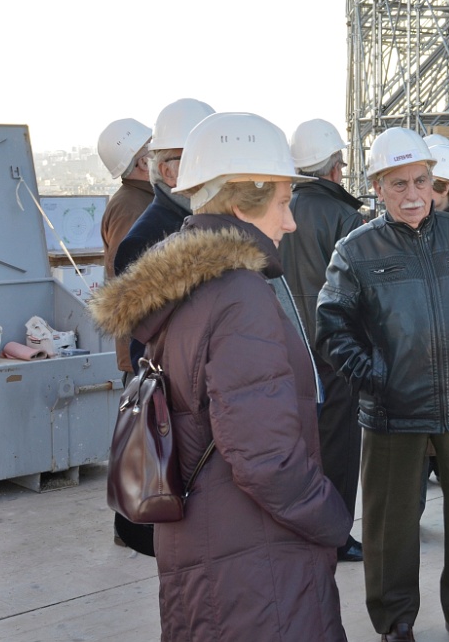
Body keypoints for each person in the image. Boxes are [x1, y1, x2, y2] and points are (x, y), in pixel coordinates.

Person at [89, 113, 352, 641]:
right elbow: (264, 457)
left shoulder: (189, 286)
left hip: (208, 546)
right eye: (283, 204)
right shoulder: (240, 296)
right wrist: (331, 517)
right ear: (240, 205)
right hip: (257, 565)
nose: (292, 223)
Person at [316, 128, 449, 642]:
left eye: (421, 181)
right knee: (390, 529)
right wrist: (374, 378)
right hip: (392, 412)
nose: (413, 195)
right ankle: (396, 621)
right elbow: (331, 322)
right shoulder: (356, 250)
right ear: (377, 187)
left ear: (435, 181)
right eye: (398, 185)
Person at [279, 118, 366, 564]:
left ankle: (304, 528)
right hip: (333, 353)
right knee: (339, 449)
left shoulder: (282, 206)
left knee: (299, 446)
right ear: (335, 167)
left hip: (288, 349)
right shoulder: (344, 216)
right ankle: (336, 535)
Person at [114, 98, 216, 371]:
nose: (216, 167)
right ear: (168, 171)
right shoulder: (144, 240)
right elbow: (146, 357)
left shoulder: (211, 222)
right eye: (199, 156)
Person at [97, 117, 154, 378]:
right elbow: (129, 282)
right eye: (155, 150)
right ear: (143, 162)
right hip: (144, 355)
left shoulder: (139, 201)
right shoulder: (131, 207)